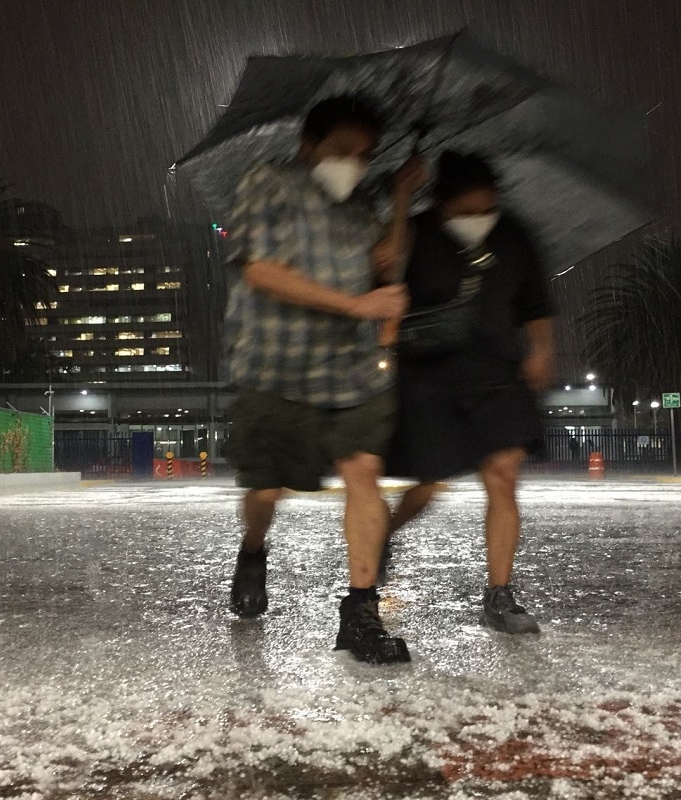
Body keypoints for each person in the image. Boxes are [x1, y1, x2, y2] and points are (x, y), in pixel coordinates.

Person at [224, 95, 422, 664]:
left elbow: (387, 263)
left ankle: (359, 612)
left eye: (364, 155)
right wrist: (356, 305)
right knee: (265, 491)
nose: (353, 164)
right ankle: (254, 548)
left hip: (350, 371)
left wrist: (403, 195)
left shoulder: (362, 207)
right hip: (274, 368)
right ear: (307, 145)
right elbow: (261, 270)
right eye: (341, 151)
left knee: (364, 473)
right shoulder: (268, 184)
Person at [384, 151, 556, 634]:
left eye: (487, 209)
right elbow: (382, 265)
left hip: (498, 375)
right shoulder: (416, 230)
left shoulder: (515, 236)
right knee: (428, 484)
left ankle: (499, 595)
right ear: (442, 204)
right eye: (466, 211)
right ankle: (386, 536)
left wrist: (541, 348)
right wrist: (400, 197)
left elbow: (536, 301)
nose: (478, 219)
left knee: (502, 477)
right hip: (430, 377)